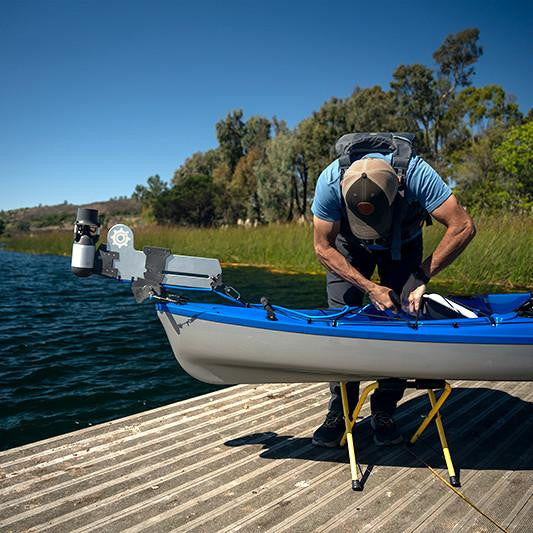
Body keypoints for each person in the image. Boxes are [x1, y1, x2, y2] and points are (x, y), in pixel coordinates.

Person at [311, 134, 476, 447]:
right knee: (340, 320)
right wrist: (370, 287)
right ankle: (340, 409)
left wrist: (421, 274)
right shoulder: (330, 181)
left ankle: (385, 409)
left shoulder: (416, 173)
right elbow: (322, 247)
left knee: (400, 320)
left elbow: (463, 225)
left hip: (404, 242)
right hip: (348, 247)